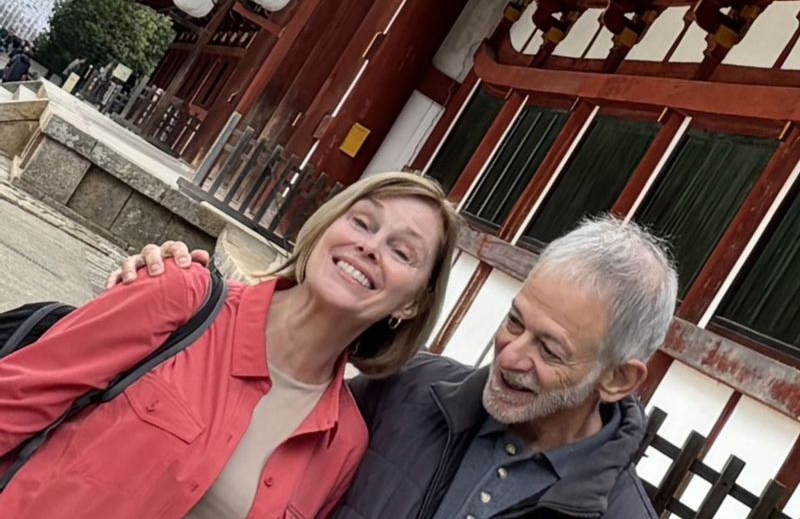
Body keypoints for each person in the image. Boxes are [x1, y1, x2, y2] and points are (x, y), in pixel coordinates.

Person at [113, 215, 678, 518]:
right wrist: (176, 310)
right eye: (514, 320)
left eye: (549, 350)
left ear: (618, 378)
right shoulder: (409, 392)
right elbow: (258, 402)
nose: (510, 355)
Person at [0, 171, 461, 519]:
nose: (370, 246)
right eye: (362, 223)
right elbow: (13, 403)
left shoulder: (343, 443)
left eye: (402, 252)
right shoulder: (181, 295)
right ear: (326, 228)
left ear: (413, 304)